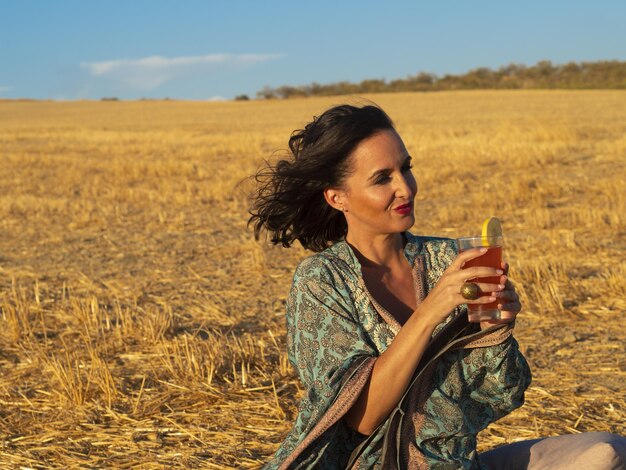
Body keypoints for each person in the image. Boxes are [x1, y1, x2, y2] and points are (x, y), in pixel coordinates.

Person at [248, 104, 626, 469]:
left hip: (457, 463)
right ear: (337, 197)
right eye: (383, 178)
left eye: (406, 168)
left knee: (606, 452)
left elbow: (501, 393)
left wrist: (496, 330)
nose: (405, 188)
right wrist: (430, 312)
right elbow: (360, 418)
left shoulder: (448, 258)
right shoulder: (321, 280)